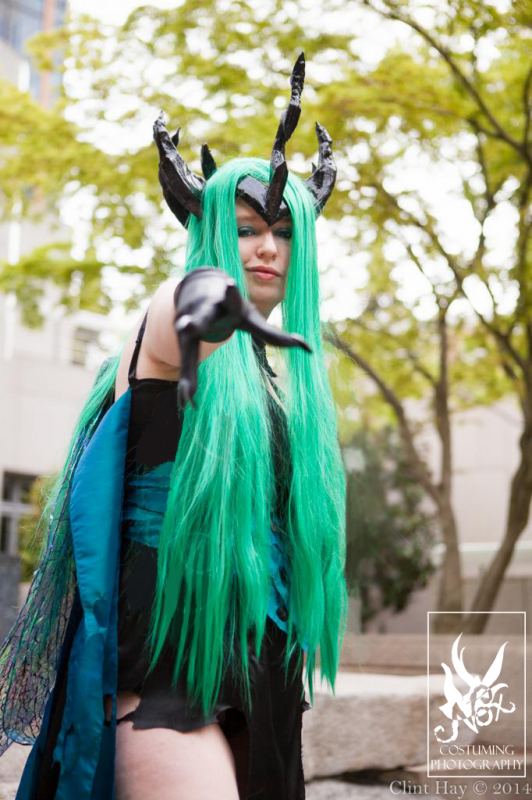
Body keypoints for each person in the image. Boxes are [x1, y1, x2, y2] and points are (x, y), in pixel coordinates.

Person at [0, 53, 347, 799]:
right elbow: (184, 308)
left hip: (266, 680)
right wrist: (209, 295)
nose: (265, 248)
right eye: (246, 227)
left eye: (284, 233)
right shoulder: (165, 340)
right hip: (162, 683)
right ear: (210, 232)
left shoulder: (281, 389)